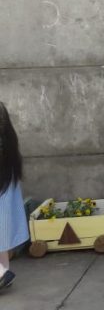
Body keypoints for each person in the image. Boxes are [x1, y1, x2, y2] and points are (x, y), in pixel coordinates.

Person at [0, 102, 28, 291]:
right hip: (6, 182)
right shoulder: (8, 139)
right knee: (2, 233)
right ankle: (4, 271)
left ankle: (1, 273)